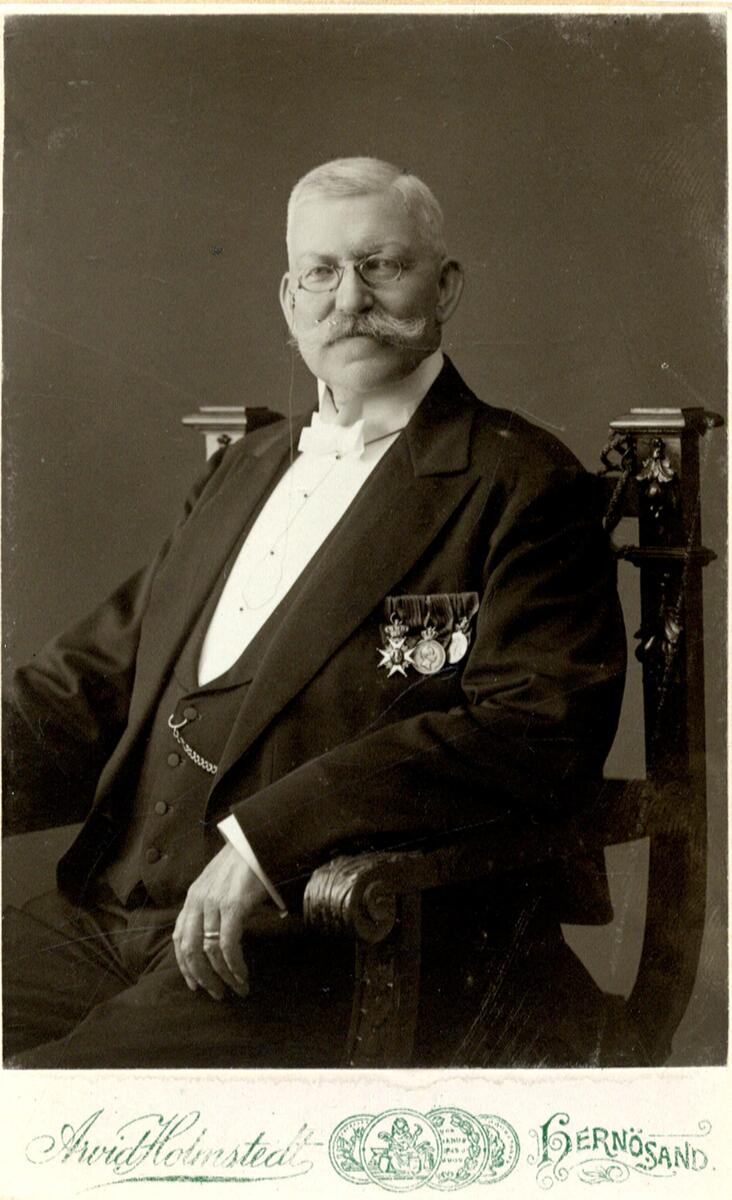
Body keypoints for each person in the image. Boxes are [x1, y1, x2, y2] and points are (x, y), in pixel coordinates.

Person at [3, 157, 626, 1069]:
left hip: (330, 939)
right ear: (289, 300)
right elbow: (99, 677)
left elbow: (533, 728)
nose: (350, 299)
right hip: (110, 916)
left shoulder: (521, 480)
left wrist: (269, 843)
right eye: (322, 273)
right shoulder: (244, 467)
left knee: (55, 1106)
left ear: (446, 286)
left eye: (382, 266)